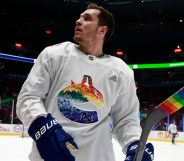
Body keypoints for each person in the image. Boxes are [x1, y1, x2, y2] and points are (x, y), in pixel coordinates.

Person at [16, 3, 154, 161]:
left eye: (87, 19)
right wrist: (43, 128)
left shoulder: (121, 71)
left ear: (102, 30)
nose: (78, 21)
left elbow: (126, 119)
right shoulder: (54, 55)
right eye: (79, 17)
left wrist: (135, 145)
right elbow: (28, 97)